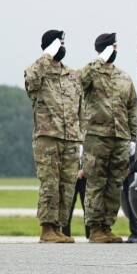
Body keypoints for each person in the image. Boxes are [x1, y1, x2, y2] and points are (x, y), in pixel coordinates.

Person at [24, 30, 83, 243]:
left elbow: (80, 108)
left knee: (67, 184)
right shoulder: (37, 71)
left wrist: (81, 137)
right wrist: (46, 56)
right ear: (50, 46)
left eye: (64, 43)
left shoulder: (73, 75)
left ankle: (59, 227)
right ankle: (46, 228)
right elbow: (31, 83)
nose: (63, 47)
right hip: (47, 136)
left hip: (71, 138)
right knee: (50, 183)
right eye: (59, 43)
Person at [79, 32, 137, 243]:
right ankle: (95, 228)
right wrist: (98, 60)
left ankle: (107, 226)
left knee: (115, 184)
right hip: (97, 137)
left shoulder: (124, 77)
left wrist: (133, 139)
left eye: (115, 46)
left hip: (120, 138)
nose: (115, 50)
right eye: (111, 46)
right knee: (96, 183)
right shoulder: (91, 73)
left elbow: (132, 108)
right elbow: (78, 81)